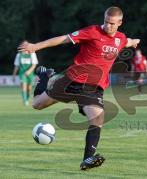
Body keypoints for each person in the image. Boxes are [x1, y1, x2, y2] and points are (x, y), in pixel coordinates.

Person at [18, 6, 140, 170]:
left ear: (119, 23)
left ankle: (87, 160)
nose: (108, 26)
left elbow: (127, 41)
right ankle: (45, 76)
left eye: (112, 23)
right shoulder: (92, 32)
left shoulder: (120, 38)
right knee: (36, 104)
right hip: (72, 81)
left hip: (92, 88)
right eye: (106, 22)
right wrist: (35, 47)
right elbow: (63, 39)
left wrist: (134, 42)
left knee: (98, 117)